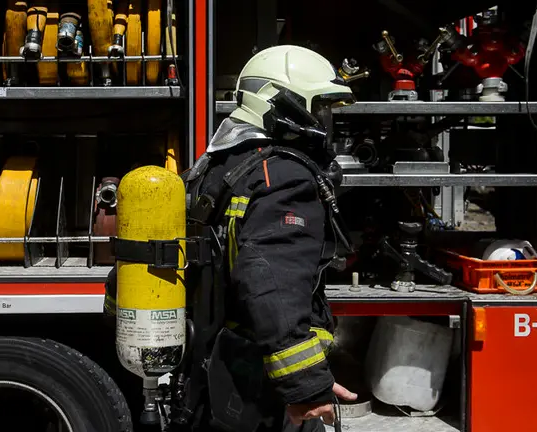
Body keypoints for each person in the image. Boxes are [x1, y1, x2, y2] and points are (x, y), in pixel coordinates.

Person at [104, 45, 358, 431]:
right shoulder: (284, 177)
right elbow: (272, 282)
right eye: (319, 107)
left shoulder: (213, 167)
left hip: (208, 367)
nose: (324, 120)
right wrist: (305, 386)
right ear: (283, 103)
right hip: (257, 385)